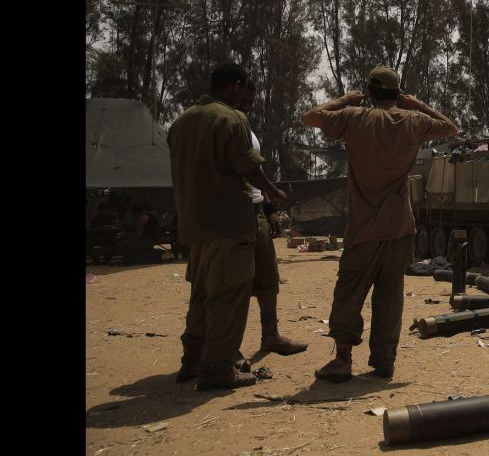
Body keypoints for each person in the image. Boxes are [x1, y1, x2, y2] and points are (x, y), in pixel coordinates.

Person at [302, 66, 458, 382]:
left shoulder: (356, 118)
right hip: (400, 226)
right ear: (396, 93)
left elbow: (310, 117)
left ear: (370, 91)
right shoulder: (413, 122)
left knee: (349, 293)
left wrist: (345, 99)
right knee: (389, 298)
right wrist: (415, 103)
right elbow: (450, 128)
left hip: (364, 229)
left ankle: (343, 360)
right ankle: (384, 363)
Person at [169, 62, 287, 391]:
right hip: (229, 223)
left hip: (196, 224)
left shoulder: (181, 120)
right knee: (228, 297)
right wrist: (273, 192)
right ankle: (218, 368)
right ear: (235, 85)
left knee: (202, 295)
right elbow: (247, 166)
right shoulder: (231, 119)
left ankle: (191, 360)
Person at [236, 84, 308, 357]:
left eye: (252, 100)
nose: (248, 104)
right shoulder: (225, 126)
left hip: (256, 211)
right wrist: (276, 192)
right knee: (236, 283)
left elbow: (256, 173)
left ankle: (271, 336)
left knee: (268, 279)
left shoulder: (248, 131)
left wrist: (269, 209)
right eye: (244, 99)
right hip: (235, 212)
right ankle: (229, 348)